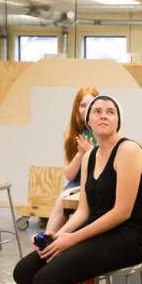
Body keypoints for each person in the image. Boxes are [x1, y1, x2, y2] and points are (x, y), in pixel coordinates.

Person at [13, 95, 142, 284]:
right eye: (97, 111)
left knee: (44, 280)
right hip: (98, 233)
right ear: (88, 121)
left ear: (118, 121)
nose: (103, 116)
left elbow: (122, 212)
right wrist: (59, 235)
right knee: (24, 273)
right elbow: (83, 211)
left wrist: (72, 239)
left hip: (128, 237)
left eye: (110, 112)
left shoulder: (127, 150)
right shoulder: (89, 156)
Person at [40, 88, 98, 235]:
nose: (86, 109)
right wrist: (81, 153)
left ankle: (62, 237)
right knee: (61, 201)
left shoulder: (103, 131)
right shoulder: (71, 135)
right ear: (77, 109)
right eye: (83, 105)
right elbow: (69, 175)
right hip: (77, 183)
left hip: (96, 181)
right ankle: (47, 239)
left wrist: (92, 154)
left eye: (91, 104)